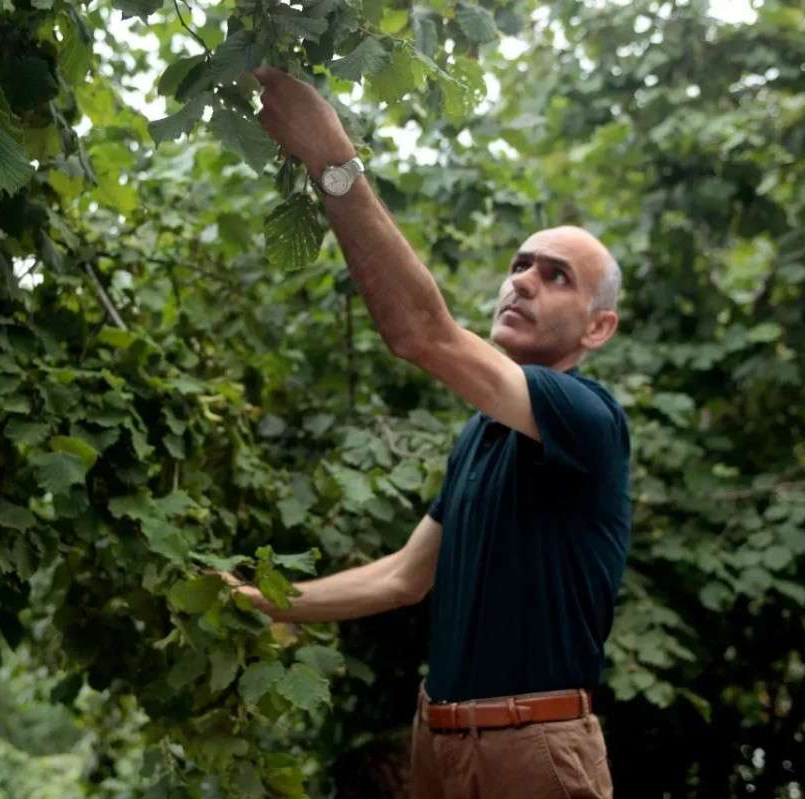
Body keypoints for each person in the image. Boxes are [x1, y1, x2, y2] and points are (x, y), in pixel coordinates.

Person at [235, 66, 631, 799]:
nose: (522, 282)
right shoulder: (481, 436)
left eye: (556, 276)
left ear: (598, 327)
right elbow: (403, 577)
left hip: (533, 752)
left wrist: (331, 157)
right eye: (519, 265)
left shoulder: (589, 416)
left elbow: (421, 331)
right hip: (438, 744)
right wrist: (267, 600)